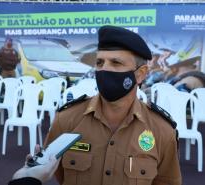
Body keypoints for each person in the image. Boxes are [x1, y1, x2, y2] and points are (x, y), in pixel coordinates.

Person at [43, 25, 181, 185]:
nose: (104, 69)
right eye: (100, 62)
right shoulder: (66, 120)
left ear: (140, 74)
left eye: (116, 63)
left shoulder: (162, 131)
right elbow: (57, 174)